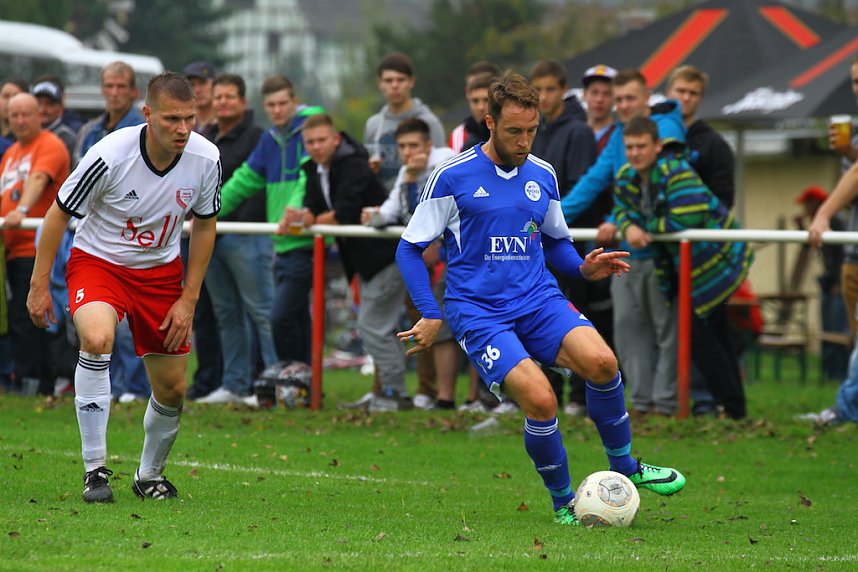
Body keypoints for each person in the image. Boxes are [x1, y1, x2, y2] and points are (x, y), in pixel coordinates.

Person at [396, 73, 685, 524]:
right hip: (479, 311)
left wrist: (583, 267)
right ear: (489, 123)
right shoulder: (451, 176)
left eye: (531, 130)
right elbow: (409, 248)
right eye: (514, 131)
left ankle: (626, 466)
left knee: (604, 364)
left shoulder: (542, 175)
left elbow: (554, 244)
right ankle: (563, 502)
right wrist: (430, 313)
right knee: (541, 399)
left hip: (537, 299)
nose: (524, 140)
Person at [26, 72, 221, 502]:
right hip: (100, 263)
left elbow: (205, 225)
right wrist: (39, 285)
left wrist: (188, 299)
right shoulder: (109, 154)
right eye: (172, 119)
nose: (183, 129)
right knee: (96, 338)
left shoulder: (207, 158)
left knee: (173, 388)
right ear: (147, 114)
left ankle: (149, 476)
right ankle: (94, 471)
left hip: (161, 272)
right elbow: (58, 213)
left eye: (190, 118)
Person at [562, 69, 686, 418]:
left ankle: (667, 405)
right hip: (628, 253)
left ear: (648, 97)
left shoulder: (667, 131)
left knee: (668, 332)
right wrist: (548, 216)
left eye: (630, 98)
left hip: (666, 254)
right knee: (630, 332)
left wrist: (618, 221)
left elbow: (663, 192)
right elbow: (594, 182)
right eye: (619, 100)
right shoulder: (619, 135)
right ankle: (643, 405)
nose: (623, 106)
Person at [614, 116, 751, 420]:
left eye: (641, 146)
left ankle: (731, 408)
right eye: (630, 147)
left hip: (715, 261)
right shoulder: (626, 175)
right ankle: (734, 410)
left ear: (657, 146)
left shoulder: (677, 171)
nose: (635, 153)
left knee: (702, 338)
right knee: (714, 335)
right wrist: (628, 225)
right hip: (687, 265)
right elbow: (622, 208)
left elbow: (688, 216)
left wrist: (643, 227)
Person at [284, 113, 412, 412]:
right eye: (310, 142)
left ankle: (396, 395)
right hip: (366, 261)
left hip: (386, 256)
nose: (315, 147)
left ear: (335, 139)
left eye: (321, 140)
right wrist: (300, 217)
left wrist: (310, 219)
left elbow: (345, 212)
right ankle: (389, 393)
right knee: (378, 327)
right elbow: (316, 210)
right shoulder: (314, 169)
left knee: (371, 327)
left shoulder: (353, 165)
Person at [218, 74, 325, 366]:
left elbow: (309, 176)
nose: (277, 110)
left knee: (281, 315)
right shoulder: (270, 138)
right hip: (284, 239)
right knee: (295, 316)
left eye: (282, 103)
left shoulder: (311, 130)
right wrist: (207, 211)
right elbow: (244, 180)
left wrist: (294, 209)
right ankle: (301, 381)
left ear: (294, 101)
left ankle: (291, 375)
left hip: (308, 235)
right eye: (271, 105)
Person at [361, 117, 457, 409]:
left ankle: (451, 395)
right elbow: (397, 212)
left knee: (450, 325)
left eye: (413, 145)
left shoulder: (449, 164)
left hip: (455, 259)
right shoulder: (407, 171)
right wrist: (374, 216)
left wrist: (436, 244)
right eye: (402, 146)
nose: (407, 152)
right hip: (423, 260)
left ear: (429, 145)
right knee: (425, 322)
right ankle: (426, 393)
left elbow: (430, 218)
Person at [195, 74, 273, 405]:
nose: (224, 102)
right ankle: (236, 385)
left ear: (243, 101)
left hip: (247, 234)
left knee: (262, 312)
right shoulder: (206, 136)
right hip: (211, 235)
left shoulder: (258, 137)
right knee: (226, 312)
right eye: (219, 96)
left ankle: (275, 384)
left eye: (231, 97)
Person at [530, 59, 599, 417]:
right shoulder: (533, 131)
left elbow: (579, 190)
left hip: (571, 243)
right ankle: (551, 394)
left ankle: (580, 398)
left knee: (576, 322)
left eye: (550, 89)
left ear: (563, 89)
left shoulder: (578, 132)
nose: (543, 96)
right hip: (534, 246)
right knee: (541, 323)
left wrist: (540, 221)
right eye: (537, 90)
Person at [1, 93, 70, 396]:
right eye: (14, 115)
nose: (20, 120)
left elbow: (38, 180)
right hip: (13, 250)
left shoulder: (50, 145)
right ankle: (28, 380)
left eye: (26, 114)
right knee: (19, 318)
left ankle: (43, 383)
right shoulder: (12, 152)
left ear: (39, 115)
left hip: (40, 247)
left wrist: (23, 210)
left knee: (37, 317)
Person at [804, 153, 858, 425]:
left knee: (844, 335)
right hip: (839, 277)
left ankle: (847, 405)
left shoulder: (835, 222)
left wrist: (823, 214)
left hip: (840, 278)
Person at [180, 60, 222, 400]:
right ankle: (206, 380)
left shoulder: (221, 130)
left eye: (202, 82)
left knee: (230, 312)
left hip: (215, 224)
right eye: (191, 83)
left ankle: (231, 381)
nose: (199, 88)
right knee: (201, 311)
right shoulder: (179, 129)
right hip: (184, 228)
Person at [364, 52, 445, 190]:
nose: (395, 86)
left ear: (411, 82)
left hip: (420, 202)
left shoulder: (429, 122)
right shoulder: (373, 124)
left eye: (401, 80)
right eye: (388, 80)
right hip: (383, 204)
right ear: (380, 83)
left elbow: (443, 169)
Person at [796, 186, 849, 380]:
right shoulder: (819, 223)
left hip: (838, 284)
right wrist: (801, 229)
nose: (804, 208)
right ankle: (829, 373)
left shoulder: (836, 222)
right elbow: (809, 246)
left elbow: (846, 253)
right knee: (827, 328)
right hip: (829, 283)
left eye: (807, 204)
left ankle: (839, 374)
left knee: (838, 330)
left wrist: (838, 281)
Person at [448, 63, 499, 153]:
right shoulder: (459, 134)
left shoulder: (512, 131)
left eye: (486, 100)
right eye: (475, 101)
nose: (481, 107)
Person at [31, 78, 78, 160]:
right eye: (38, 103)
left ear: (61, 109)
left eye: (49, 104)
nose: (42, 110)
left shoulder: (68, 140)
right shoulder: (24, 136)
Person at [183, 61, 218, 132]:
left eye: (203, 83)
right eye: (192, 84)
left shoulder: (225, 123)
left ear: (215, 85)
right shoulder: (184, 124)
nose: (197, 90)